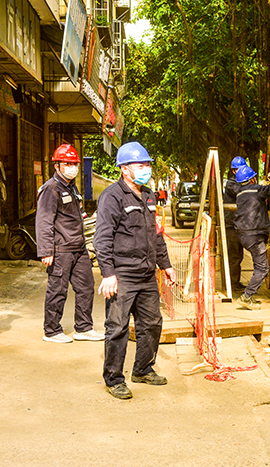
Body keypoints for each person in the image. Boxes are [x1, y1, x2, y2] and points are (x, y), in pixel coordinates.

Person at [94, 141, 177, 400]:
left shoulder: (149, 196)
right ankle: (114, 378)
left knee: (152, 323)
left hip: (146, 274)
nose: (146, 169)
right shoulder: (112, 197)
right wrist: (108, 273)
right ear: (124, 169)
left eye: (147, 164)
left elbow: (157, 235)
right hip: (123, 274)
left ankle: (142, 369)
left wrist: (166, 265)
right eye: (141, 165)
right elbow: (102, 238)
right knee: (117, 328)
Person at [36, 144, 102, 343]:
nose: (72, 167)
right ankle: (52, 330)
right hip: (60, 249)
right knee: (58, 289)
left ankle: (83, 328)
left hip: (78, 248)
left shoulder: (71, 187)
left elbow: (73, 215)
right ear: (57, 165)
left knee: (86, 286)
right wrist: (46, 251)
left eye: (75, 164)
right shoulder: (51, 189)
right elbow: (44, 221)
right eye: (67, 163)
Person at [233, 163, 270, 310]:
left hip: (243, 235)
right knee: (262, 268)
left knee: (258, 264)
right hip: (254, 236)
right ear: (252, 180)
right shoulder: (257, 190)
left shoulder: (240, 194)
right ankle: (247, 296)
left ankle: (249, 295)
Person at [224, 156, 247, 290]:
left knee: (239, 255)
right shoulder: (232, 184)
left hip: (240, 223)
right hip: (231, 224)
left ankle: (235, 282)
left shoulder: (242, 183)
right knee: (234, 256)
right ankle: (232, 283)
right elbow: (242, 192)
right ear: (234, 171)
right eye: (239, 169)